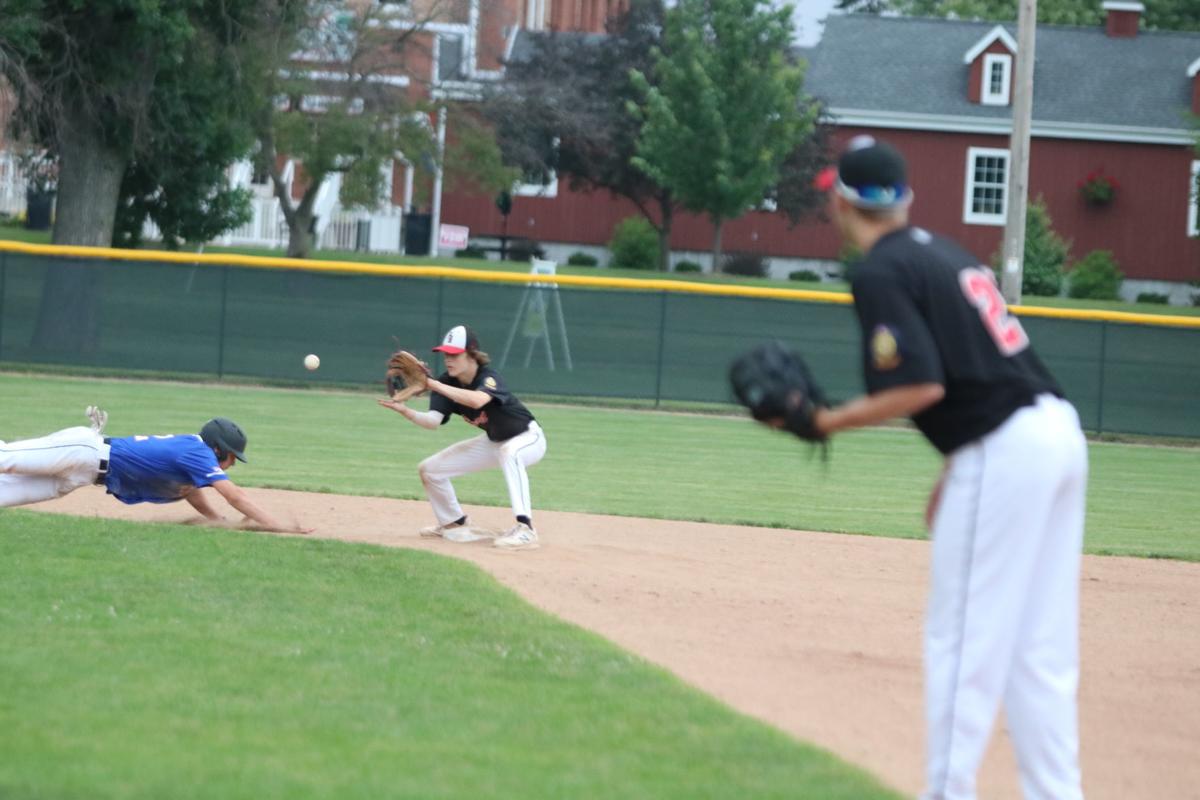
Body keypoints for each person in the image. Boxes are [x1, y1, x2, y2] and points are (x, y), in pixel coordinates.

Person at [762, 136, 1087, 799]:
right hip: (1055, 435)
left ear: (839, 202)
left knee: (962, 641)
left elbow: (921, 387)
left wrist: (822, 422)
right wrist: (956, 467)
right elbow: (982, 369)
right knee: (1039, 648)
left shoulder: (881, 270)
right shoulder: (946, 252)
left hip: (1005, 448)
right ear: (904, 199)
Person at [0, 406, 310, 534]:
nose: (231, 465)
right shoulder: (198, 452)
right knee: (4, 457)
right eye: (231, 457)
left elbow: (189, 491)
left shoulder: (191, 458)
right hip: (82, 451)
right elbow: (235, 495)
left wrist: (216, 520)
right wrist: (275, 525)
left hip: (82, 475)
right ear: (218, 449)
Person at [378, 325, 547, 551]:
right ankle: (453, 523)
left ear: (472, 355)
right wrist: (406, 411)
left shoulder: (489, 377)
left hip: (528, 437)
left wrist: (433, 384)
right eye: (446, 354)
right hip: (494, 442)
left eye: (455, 354)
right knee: (430, 469)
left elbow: (477, 400)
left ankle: (526, 530)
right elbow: (433, 421)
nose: (449, 359)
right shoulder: (445, 382)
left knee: (510, 453)